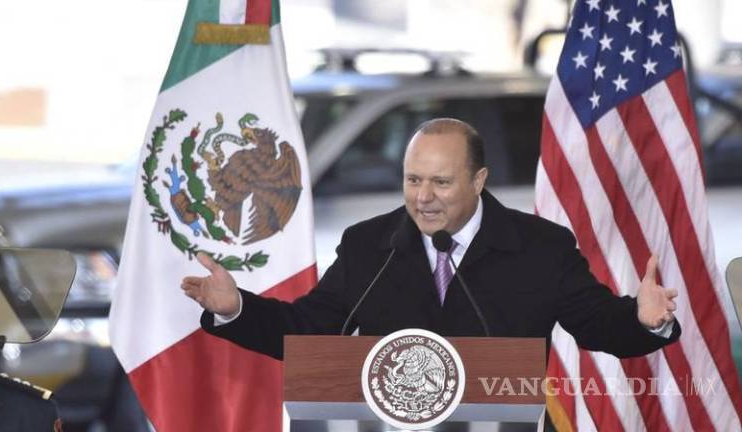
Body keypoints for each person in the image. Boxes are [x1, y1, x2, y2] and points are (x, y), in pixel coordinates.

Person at [182, 118, 680, 361]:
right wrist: (236, 309)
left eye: (441, 182)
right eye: (413, 180)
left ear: (478, 181)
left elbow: (597, 325)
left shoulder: (541, 247)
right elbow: (309, 331)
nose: (423, 198)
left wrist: (641, 319)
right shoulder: (368, 246)